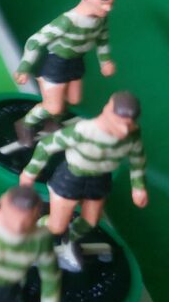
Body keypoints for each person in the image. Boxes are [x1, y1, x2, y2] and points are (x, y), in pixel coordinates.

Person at [20, 91, 147, 272]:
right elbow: (46, 145)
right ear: (107, 112)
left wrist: (138, 187)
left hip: (100, 180)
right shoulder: (84, 131)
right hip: (71, 178)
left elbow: (138, 158)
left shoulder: (132, 135)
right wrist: (29, 173)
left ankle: (69, 242)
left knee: (90, 221)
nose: (125, 130)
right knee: (56, 226)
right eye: (120, 123)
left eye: (129, 124)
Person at [13, 0, 116, 147]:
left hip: (76, 62)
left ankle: (52, 123)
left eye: (110, 4)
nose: (108, 8)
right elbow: (34, 41)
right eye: (104, 3)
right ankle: (25, 124)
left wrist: (106, 61)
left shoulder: (101, 20)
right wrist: (24, 67)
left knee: (73, 100)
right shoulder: (67, 21)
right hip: (56, 65)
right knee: (53, 107)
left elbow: (102, 40)